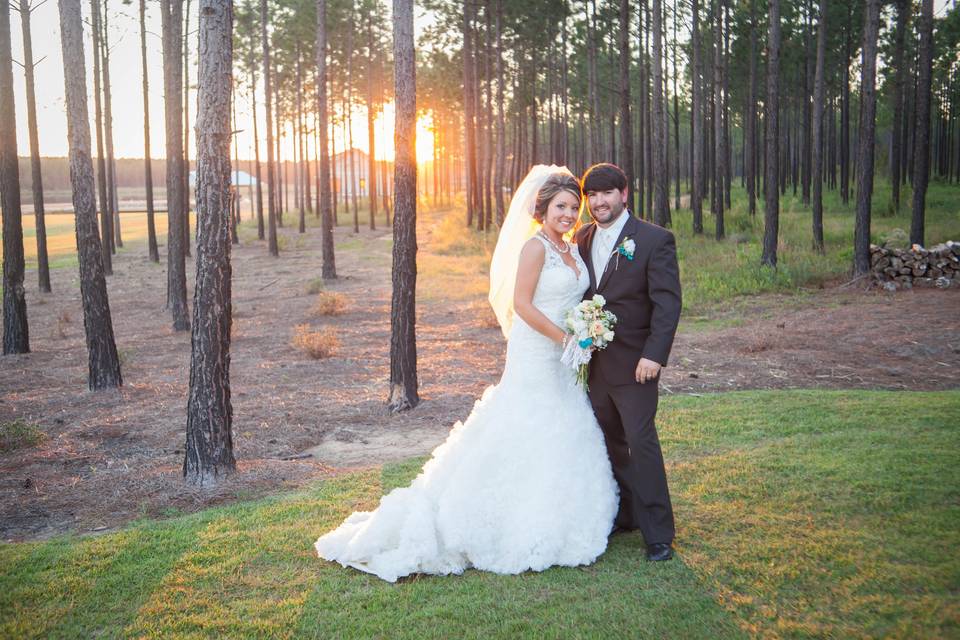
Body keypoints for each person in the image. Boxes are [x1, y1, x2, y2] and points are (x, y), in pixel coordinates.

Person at [313, 166, 618, 582]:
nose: (568, 214)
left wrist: (585, 328)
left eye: (573, 207)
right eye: (560, 207)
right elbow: (523, 306)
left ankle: (565, 513)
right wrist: (565, 337)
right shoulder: (535, 249)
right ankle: (503, 521)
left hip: (566, 361)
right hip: (536, 354)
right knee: (528, 427)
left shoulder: (571, 247)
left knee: (565, 427)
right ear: (542, 209)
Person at [574, 163, 682, 562]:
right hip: (593, 365)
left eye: (606, 193)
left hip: (637, 364)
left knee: (641, 442)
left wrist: (654, 355)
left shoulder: (654, 240)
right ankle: (629, 513)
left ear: (624, 194)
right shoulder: (581, 238)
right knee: (611, 442)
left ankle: (659, 534)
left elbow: (667, 303)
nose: (599, 202)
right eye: (592, 195)